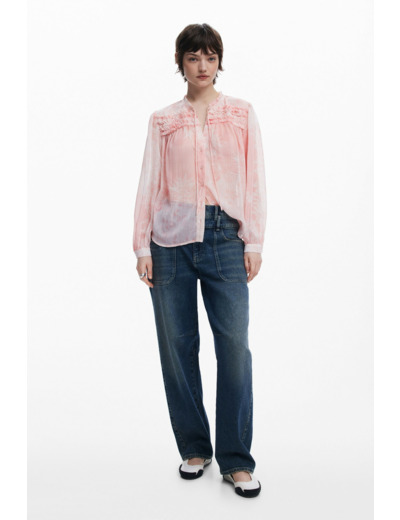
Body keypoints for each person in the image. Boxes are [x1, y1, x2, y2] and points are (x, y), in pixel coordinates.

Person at [132, 23, 267, 498]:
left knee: (234, 347)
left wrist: (253, 241)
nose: (202, 66)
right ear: (181, 63)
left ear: (219, 61)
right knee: (177, 346)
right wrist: (141, 245)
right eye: (193, 58)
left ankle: (236, 459)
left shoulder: (241, 113)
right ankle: (194, 448)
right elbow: (150, 181)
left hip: (225, 237)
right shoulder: (163, 120)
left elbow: (254, 178)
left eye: (210, 57)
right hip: (170, 240)